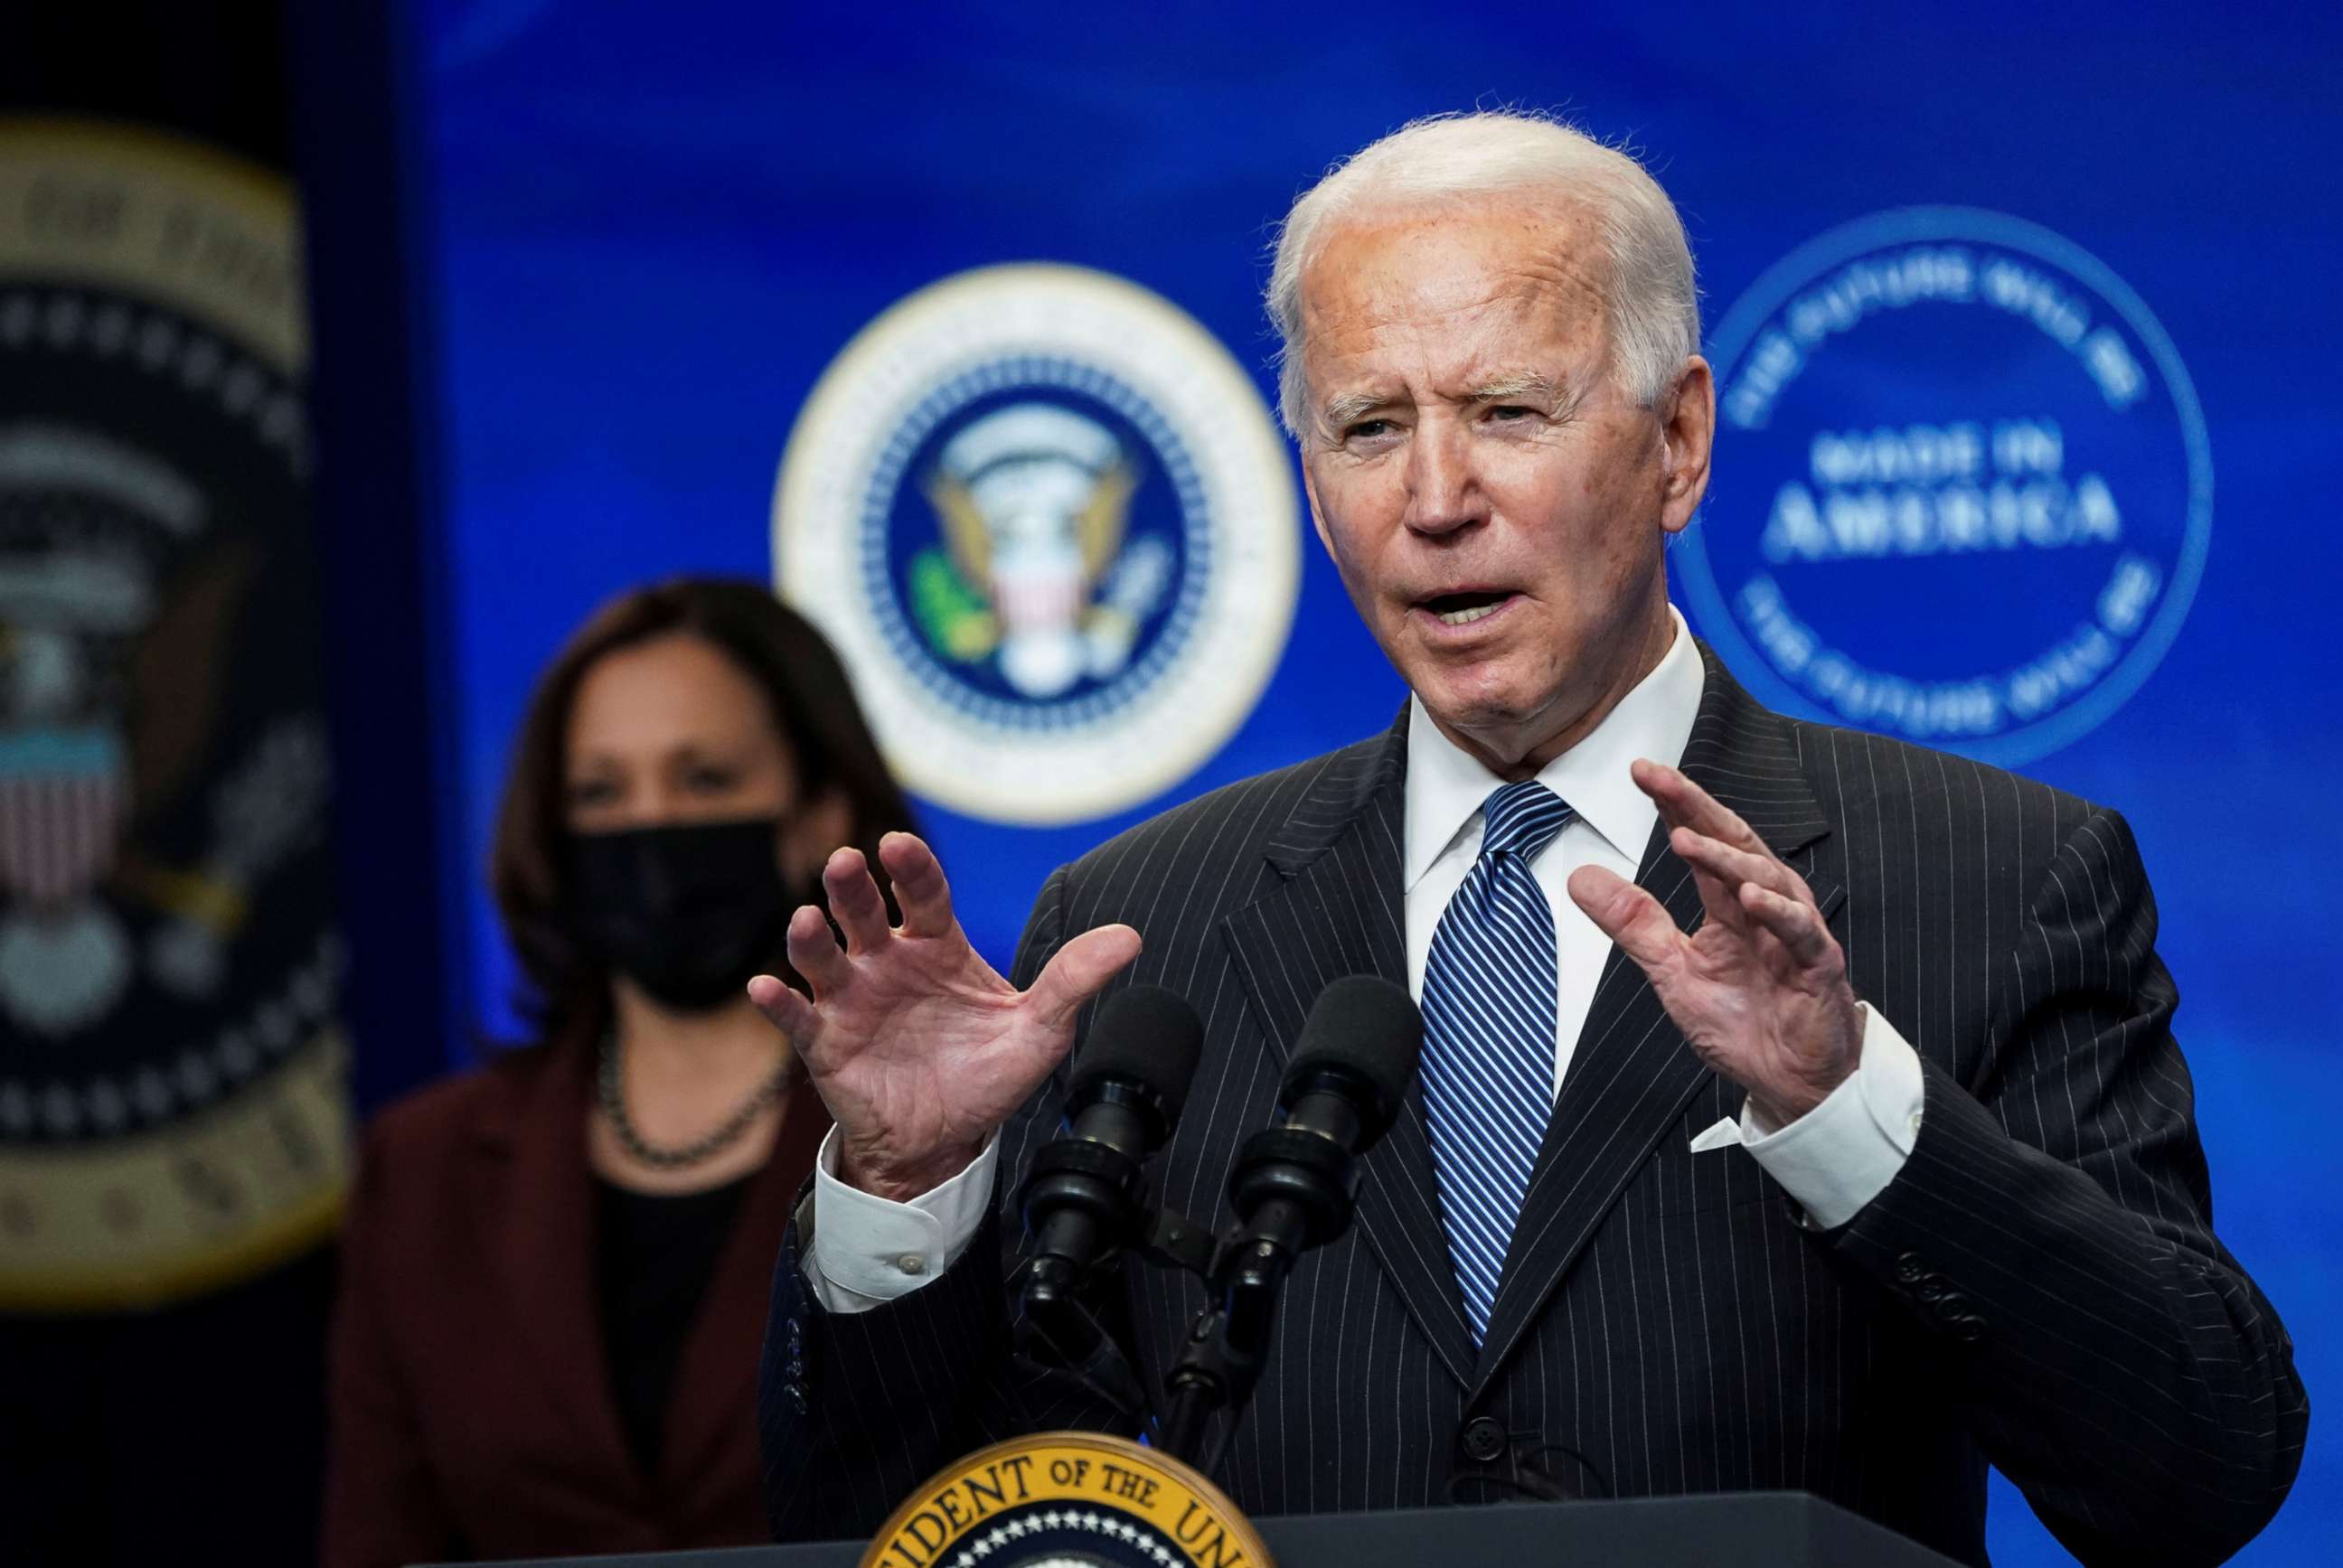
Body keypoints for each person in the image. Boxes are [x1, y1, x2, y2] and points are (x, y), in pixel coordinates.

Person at [753, 114, 2306, 1566]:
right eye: (1370, 427)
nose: (1436, 498)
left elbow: (2195, 1474)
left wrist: (1847, 1107)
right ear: (1311, 482)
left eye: (1507, 411)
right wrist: (908, 1189)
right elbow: (957, 1528)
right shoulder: (1145, 922)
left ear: (1678, 442)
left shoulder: (1994, 878)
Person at [324, 578, 915, 1565]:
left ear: (820, 812)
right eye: (603, 792)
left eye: (705, 780)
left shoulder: (933, 1138)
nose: (654, 827)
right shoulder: (420, 1168)